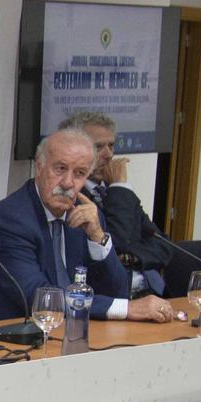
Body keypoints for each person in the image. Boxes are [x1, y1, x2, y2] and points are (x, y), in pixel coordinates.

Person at [0, 128, 176, 324]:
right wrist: (126, 309)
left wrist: (98, 237)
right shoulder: (9, 221)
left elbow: (117, 292)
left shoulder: (86, 216)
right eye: (60, 169)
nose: (67, 183)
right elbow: (41, 299)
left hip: (66, 334)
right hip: (4, 342)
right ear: (39, 167)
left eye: (79, 173)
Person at [56, 110, 177, 297]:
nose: (109, 154)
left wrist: (130, 258)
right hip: (110, 298)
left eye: (111, 145)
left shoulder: (118, 193)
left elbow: (163, 245)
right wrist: (119, 186)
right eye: (99, 147)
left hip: (150, 292)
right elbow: (115, 243)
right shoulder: (70, 194)